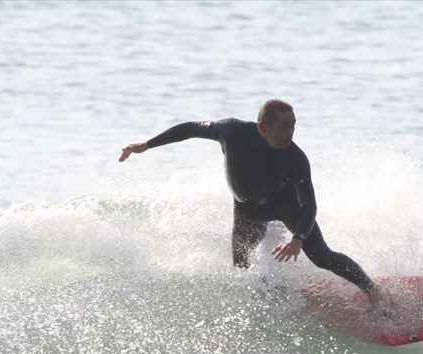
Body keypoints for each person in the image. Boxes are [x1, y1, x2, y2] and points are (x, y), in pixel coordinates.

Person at [119, 99, 385, 305]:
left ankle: (373, 291)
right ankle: (271, 299)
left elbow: (310, 205)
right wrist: (147, 145)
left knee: (322, 257)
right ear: (262, 128)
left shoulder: (296, 158)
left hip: (286, 206)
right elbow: (189, 128)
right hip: (247, 210)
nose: (290, 132)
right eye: (284, 126)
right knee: (241, 268)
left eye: (293, 125)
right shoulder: (232, 131)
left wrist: (298, 239)